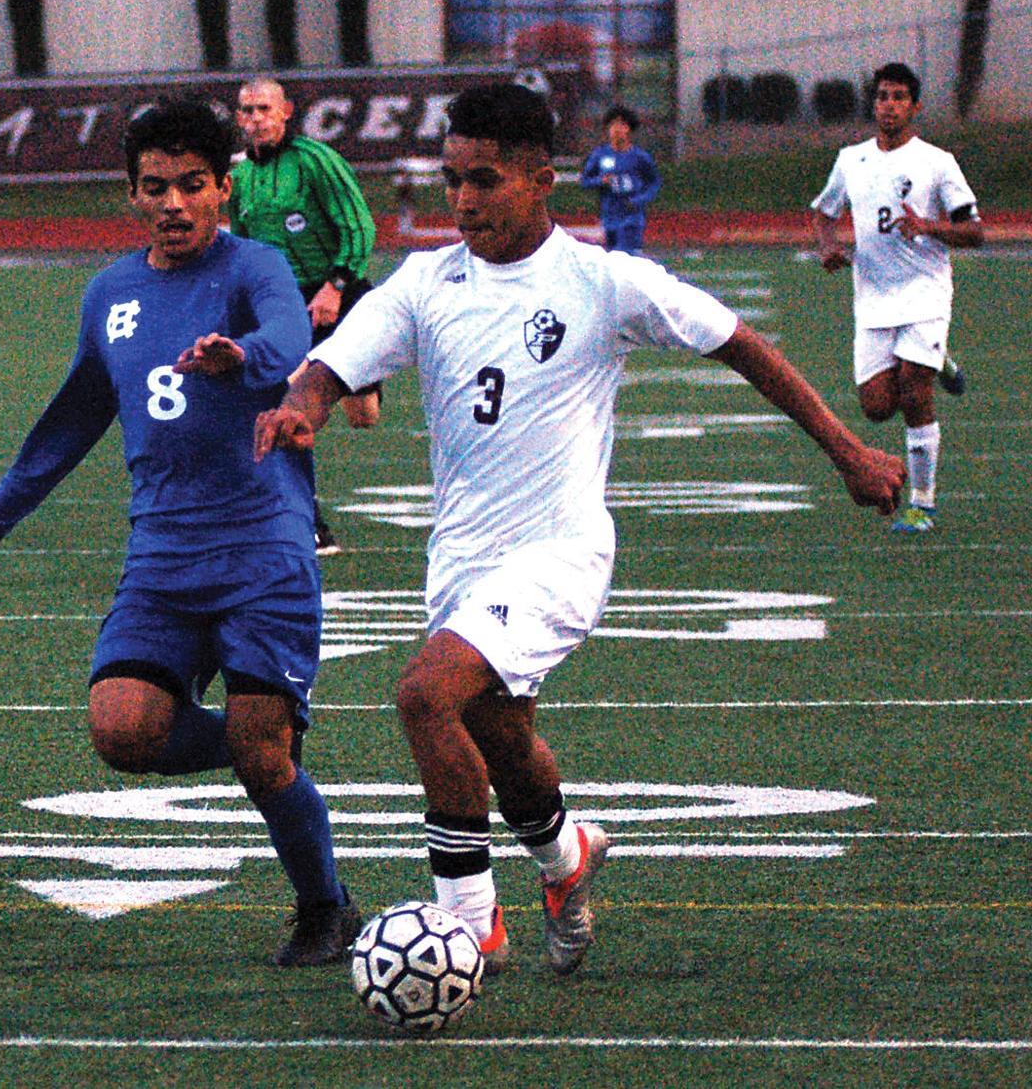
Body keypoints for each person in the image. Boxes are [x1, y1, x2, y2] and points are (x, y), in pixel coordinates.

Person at [255, 82, 906, 976]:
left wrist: (846, 453)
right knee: (503, 740)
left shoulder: (603, 282)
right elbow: (336, 360)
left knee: (422, 694)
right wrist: (304, 403)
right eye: (452, 180)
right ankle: (566, 860)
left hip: (559, 552)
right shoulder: (428, 281)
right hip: (461, 557)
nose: (464, 199)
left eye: (485, 179)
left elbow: (738, 343)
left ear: (540, 180)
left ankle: (467, 929)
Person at [0, 96, 361, 967]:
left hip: (262, 547)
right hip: (162, 553)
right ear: (132, 194)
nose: (173, 203)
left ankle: (326, 903)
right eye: (154, 187)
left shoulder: (257, 267)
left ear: (223, 191)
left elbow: (289, 330)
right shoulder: (110, 294)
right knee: (122, 731)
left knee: (260, 750)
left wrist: (245, 358)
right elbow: (79, 411)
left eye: (191, 186)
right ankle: (260, 735)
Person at [811, 61, 984, 534]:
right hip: (873, 299)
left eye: (899, 97)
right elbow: (825, 213)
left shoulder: (937, 162)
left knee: (914, 393)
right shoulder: (851, 160)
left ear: (914, 106)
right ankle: (941, 359)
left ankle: (922, 505)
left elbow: (974, 232)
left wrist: (930, 225)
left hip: (926, 293)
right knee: (876, 406)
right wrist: (828, 247)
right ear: (875, 104)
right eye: (883, 96)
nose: (889, 105)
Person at [232, 76, 381, 556]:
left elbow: (359, 225)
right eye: (247, 110)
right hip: (284, 308)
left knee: (365, 417)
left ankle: (327, 385)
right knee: (282, 405)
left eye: (264, 109)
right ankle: (309, 525)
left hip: (342, 293)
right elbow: (243, 245)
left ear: (286, 112)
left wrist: (335, 287)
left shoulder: (317, 161)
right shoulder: (242, 178)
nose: (256, 118)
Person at [579, 103, 662, 255]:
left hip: (631, 216)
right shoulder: (600, 155)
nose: (617, 130)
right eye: (612, 125)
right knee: (612, 258)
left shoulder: (640, 157)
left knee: (625, 255)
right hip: (609, 214)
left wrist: (639, 200)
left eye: (622, 125)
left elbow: (654, 183)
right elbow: (585, 180)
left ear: (629, 129)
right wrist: (600, 181)